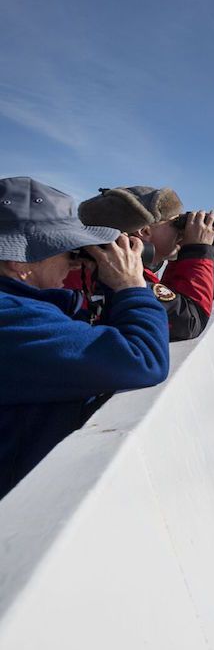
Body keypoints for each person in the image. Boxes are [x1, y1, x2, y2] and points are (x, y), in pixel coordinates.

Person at [0, 177, 170, 498]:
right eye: (63, 248)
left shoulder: (27, 305)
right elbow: (143, 359)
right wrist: (130, 287)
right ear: (18, 261)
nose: (74, 260)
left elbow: (82, 324)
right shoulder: (10, 318)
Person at [76, 186, 214, 341]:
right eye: (176, 223)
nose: (182, 232)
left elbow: (171, 299)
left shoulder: (91, 265)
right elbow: (190, 321)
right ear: (144, 231)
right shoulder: (121, 277)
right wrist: (197, 250)